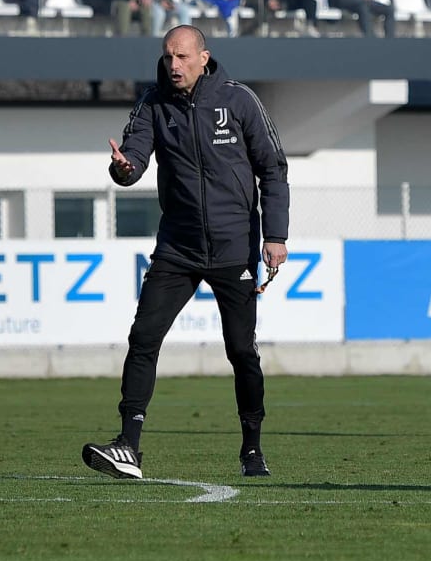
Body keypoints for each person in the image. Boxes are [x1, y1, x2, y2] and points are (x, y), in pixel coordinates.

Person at [82, 25, 289, 480]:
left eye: (181, 56)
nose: (173, 65)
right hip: (177, 247)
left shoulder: (239, 101)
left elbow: (273, 170)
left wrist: (275, 236)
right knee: (143, 339)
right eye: (167, 57)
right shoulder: (152, 103)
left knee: (241, 352)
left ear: (203, 57)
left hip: (234, 247)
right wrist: (124, 168)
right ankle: (127, 447)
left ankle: (252, 449)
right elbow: (133, 159)